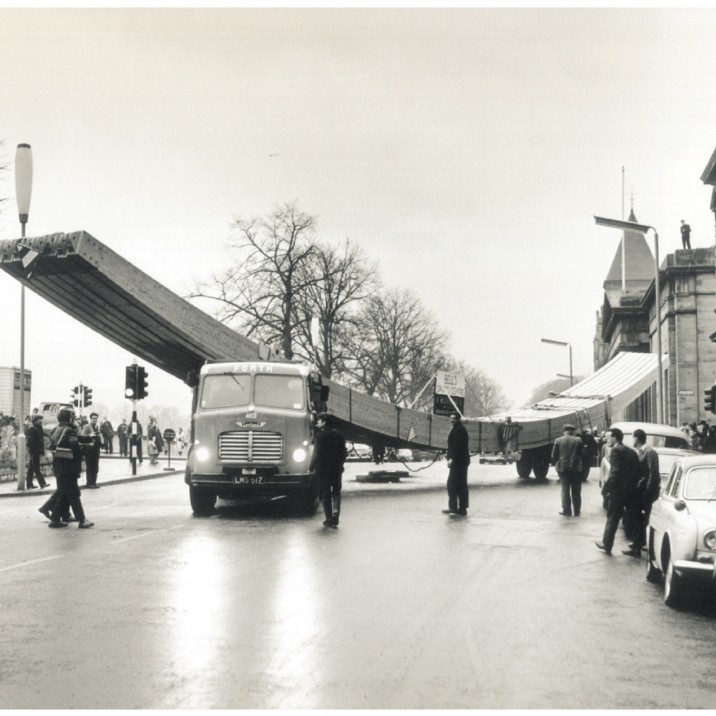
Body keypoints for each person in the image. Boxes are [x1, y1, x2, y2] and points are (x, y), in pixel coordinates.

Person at [596, 427, 641, 556]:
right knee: (633, 518)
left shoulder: (616, 451)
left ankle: (606, 544)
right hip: (631, 490)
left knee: (613, 517)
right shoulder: (631, 451)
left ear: (615, 438)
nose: (607, 439)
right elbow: (638, 471)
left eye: (609, 437)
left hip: (619, 491)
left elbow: (614, 473)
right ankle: (637, 547)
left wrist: (606, 489)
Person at [46, 408, 93, 529]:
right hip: (69, 468)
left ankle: (55, 519)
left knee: (63, 492)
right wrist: (85, 449)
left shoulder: (56, 429)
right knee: (73, 493)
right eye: (73, 416)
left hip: (59, 466)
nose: (75, 418)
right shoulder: (69, 430)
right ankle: (82, 520)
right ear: (69, 418)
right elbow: (74, 447)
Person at [309, 412, 347, 528]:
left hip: (323, 470)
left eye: (319, 420)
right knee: (336, 492)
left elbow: (316, 454)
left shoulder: (320, 436)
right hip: (336, 469)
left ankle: (328, 518)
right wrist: (340, 464)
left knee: (325, 494)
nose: (317, 422)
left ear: (324, 422)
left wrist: (311, 467)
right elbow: (344, 453)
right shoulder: (339, 435)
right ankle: (336, 514)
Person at [630, 428, 660, 555]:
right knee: (639, 517)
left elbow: (653, 473)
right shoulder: (642, 451)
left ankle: (643, 545)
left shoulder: (650, 452)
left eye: (633, 437)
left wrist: (647, 490)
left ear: (637, 438)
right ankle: (638, 543)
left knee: (646, 517)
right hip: (641, 490)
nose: (632, 440)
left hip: (647, 492)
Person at [551, 423, 584, 517]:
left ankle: (567, 511)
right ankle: (577, 511)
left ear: (564, 431)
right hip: (576, 469)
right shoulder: (578, 440)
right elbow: (584, 454)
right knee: (576, 490)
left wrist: (558, 461)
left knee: (565, 490)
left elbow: (554, 456)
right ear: (572, 431)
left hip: (563, 469)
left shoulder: (558, 440)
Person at [443, 411, 470, 517]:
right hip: (462, 462)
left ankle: (454, 508)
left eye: (454, 418)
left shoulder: (458, 430)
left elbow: (457, 446)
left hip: (458, 462)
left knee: (452, 484)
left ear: (458, 419)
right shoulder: (458, 429)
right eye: (450, 418)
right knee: (461, 485)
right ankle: (461, 509)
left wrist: (451, 459)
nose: (451, 420)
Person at [25, 413, 49, 489]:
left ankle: (29, 485)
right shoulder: (32, 429)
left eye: (41, 419)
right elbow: (29, 442)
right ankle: (42, 484)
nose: (41, 421)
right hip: (34, 451)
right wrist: (33, 449)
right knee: (37, 468)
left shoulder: (39, 428)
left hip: (36, 451)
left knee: (31, 469)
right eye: (39, 419)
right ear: (35, 420)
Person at [82, 412, 102, 488]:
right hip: (89, 450)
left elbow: (99, 436)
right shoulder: (86, 426)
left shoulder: (97, 427)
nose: (95, 420)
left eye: (96, 418)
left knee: (95, 466)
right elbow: (83, 436)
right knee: (90, 466)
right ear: (90, 419)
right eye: (93, 418)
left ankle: (94, 482)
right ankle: (89, 483)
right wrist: (90, 435)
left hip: (96, 449)